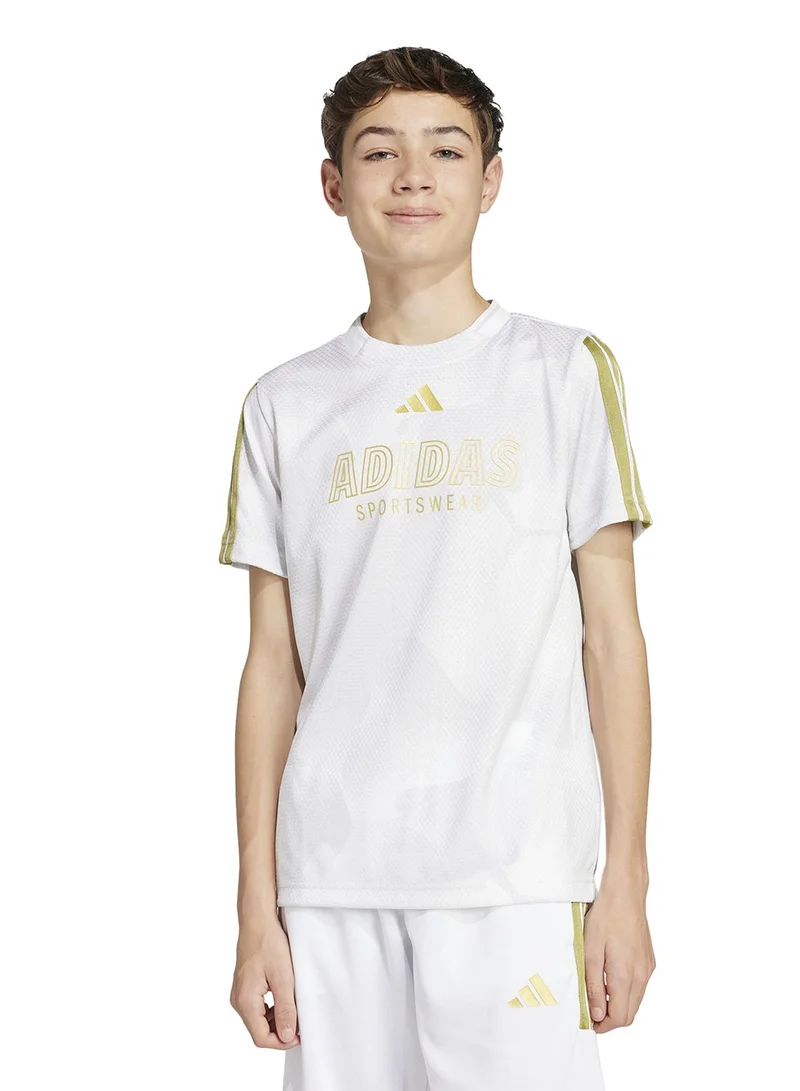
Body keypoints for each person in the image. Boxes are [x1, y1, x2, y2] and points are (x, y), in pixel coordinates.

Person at [219, 44, 656, 1091]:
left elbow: (612, 638)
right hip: (330, 880)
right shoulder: (284, 403)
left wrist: (627, 881)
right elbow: (271, 667)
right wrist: (253, 908)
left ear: (489, 180)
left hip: (515, 873)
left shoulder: (561, 371)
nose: (413, 175)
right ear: (334, 186)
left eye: (446, 150)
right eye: (379, 152)